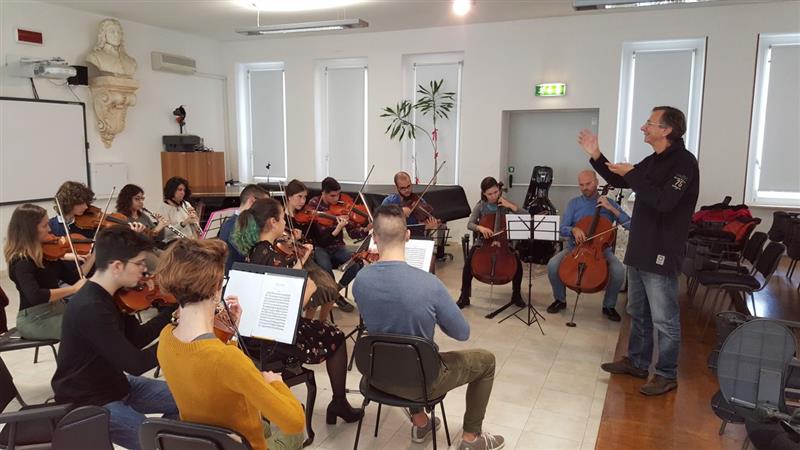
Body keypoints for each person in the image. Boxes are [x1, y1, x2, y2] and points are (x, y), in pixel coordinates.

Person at [353, 205, 505, 450]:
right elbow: (462, 333)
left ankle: (421, 422)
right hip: (420, 381)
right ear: (407, 236)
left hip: (376, 376)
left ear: (374, 237)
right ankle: (471, 438)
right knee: (486, 361)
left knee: (404, 348)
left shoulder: (361, 280)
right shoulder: (430, 284)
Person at [580, 106, 699, 396]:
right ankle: (637, 362)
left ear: (666, 130)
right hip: (640, 247)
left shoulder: (684, 163)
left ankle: (666, 373)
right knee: (638, 311)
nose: (644, 127)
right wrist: (597, 155)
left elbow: (664, 201)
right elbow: (621, 180)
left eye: (649, 123)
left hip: (662, 250)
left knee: (664, 318)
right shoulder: (653, 160)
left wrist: (633, 174)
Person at [156, 239, 305, 450]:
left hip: (205, 443)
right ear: (217, 289)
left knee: (263, 424)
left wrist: (229, 335)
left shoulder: (165, 338)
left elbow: (208, 365)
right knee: (296, 428)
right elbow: (294, 422)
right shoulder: (228, 360)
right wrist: (276, 383)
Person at [231, 198, 363, 424]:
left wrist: (300, 260)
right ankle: (339, 402)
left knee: (326, 330)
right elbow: (288, 308)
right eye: (283, 218)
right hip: (276, 338)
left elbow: (283, 279)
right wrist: (308, 291)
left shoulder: (256, 251)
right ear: (273, 222)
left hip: (253, 334)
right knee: (336, 336)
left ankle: (338, 403)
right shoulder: (272, 255)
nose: (286, 223)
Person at [51, 226, 178, 450]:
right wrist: (177, 340)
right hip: (91, 402)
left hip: (116, 385)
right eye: (140, 263)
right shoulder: (91, 306)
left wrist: (170, 314)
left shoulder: (111, 296)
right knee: (161, 442)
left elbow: (136, 338)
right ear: (117, 266)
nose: (145, 270)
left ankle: (166, 437)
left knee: (188, 400)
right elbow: (135, 364)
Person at [546, 170, 630, 322]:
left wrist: (612, 209)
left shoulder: (609, 203)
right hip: (575, 248)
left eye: (588, 184)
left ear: (596, 182)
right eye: (581, 185)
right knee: (552, 265)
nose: (585, 188)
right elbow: (562, 228)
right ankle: (560, 299)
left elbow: (629, 224)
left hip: (601, 251)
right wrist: (573, 229)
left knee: (618, 271)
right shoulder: (574, 203)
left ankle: (609, 305)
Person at [4, 204, 94, 340]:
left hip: (58, 310)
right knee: (88, 328)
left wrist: (94, 255)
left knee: (99, 317)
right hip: (36, 320)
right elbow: (36, 296)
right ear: (30, 230)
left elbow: (74, 278)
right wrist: (73, 289)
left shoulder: (48, 253)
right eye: (45, 226)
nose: (50, 229)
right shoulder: (21, 260)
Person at [283, 179, 346, 321]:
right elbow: (280, 244)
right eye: (299, 197)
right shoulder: (281, 219)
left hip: (310, 259)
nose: (303, 201)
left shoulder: (307, 216)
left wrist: (337, 229)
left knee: (333, 289)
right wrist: (294, 239)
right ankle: (309, 322)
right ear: (289, 197)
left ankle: (322, 322)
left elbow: (321, 241)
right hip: (294, 262)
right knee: (316, 292)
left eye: (305, 197)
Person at [457, 176, 524, 309]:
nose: (493, 196)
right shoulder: (481, 206)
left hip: (504, 243)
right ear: (484, 194)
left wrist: (510, 206)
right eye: (489, 194)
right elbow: (470, 224)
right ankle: (464, 296)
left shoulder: (505, 204)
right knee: (468, 265)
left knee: (518, 266)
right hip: (483, 243)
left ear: (499, 190)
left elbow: (526, 215)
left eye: (495, 192)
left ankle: (516, 295)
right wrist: (480, 228)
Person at [307, 177, 371, 312]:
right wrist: (337, 229)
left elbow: (353, 233)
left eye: (338, 194)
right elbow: (320, 240)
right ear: (323, 193)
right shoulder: (314, 205)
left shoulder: (342, 206)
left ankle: (336, 291)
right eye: (332, 196)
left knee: (357, 262)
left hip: (337, 247)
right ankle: (337, 297)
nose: (337, 198)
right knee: (325, 267)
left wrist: (365, 229)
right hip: (319, 247)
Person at [218, 184, 269, 276]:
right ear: (252, 201)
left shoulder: (240, 223)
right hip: (234, 276)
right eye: (263, 206)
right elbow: (248, 256)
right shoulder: (234, 225)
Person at [381, 171, 442, 237]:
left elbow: (422, 228)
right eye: (403, 188)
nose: (407, 190)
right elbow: (381, 223)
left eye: (408, 186)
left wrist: (428, 227)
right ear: (397, 187)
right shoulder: (389, 202)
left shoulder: (419, 200)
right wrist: (399, 212)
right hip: (395, 239)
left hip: (415, 239)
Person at [159, 176, 200, 242]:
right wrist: (184, 223)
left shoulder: (186, 204)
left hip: (189, 241)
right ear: (172, 190)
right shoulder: (164, 208)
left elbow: (194, 229)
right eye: (179, 190)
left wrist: (196, 221)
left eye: (184, 190)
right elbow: (165, 233)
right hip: (174, 243)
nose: (182, 192)